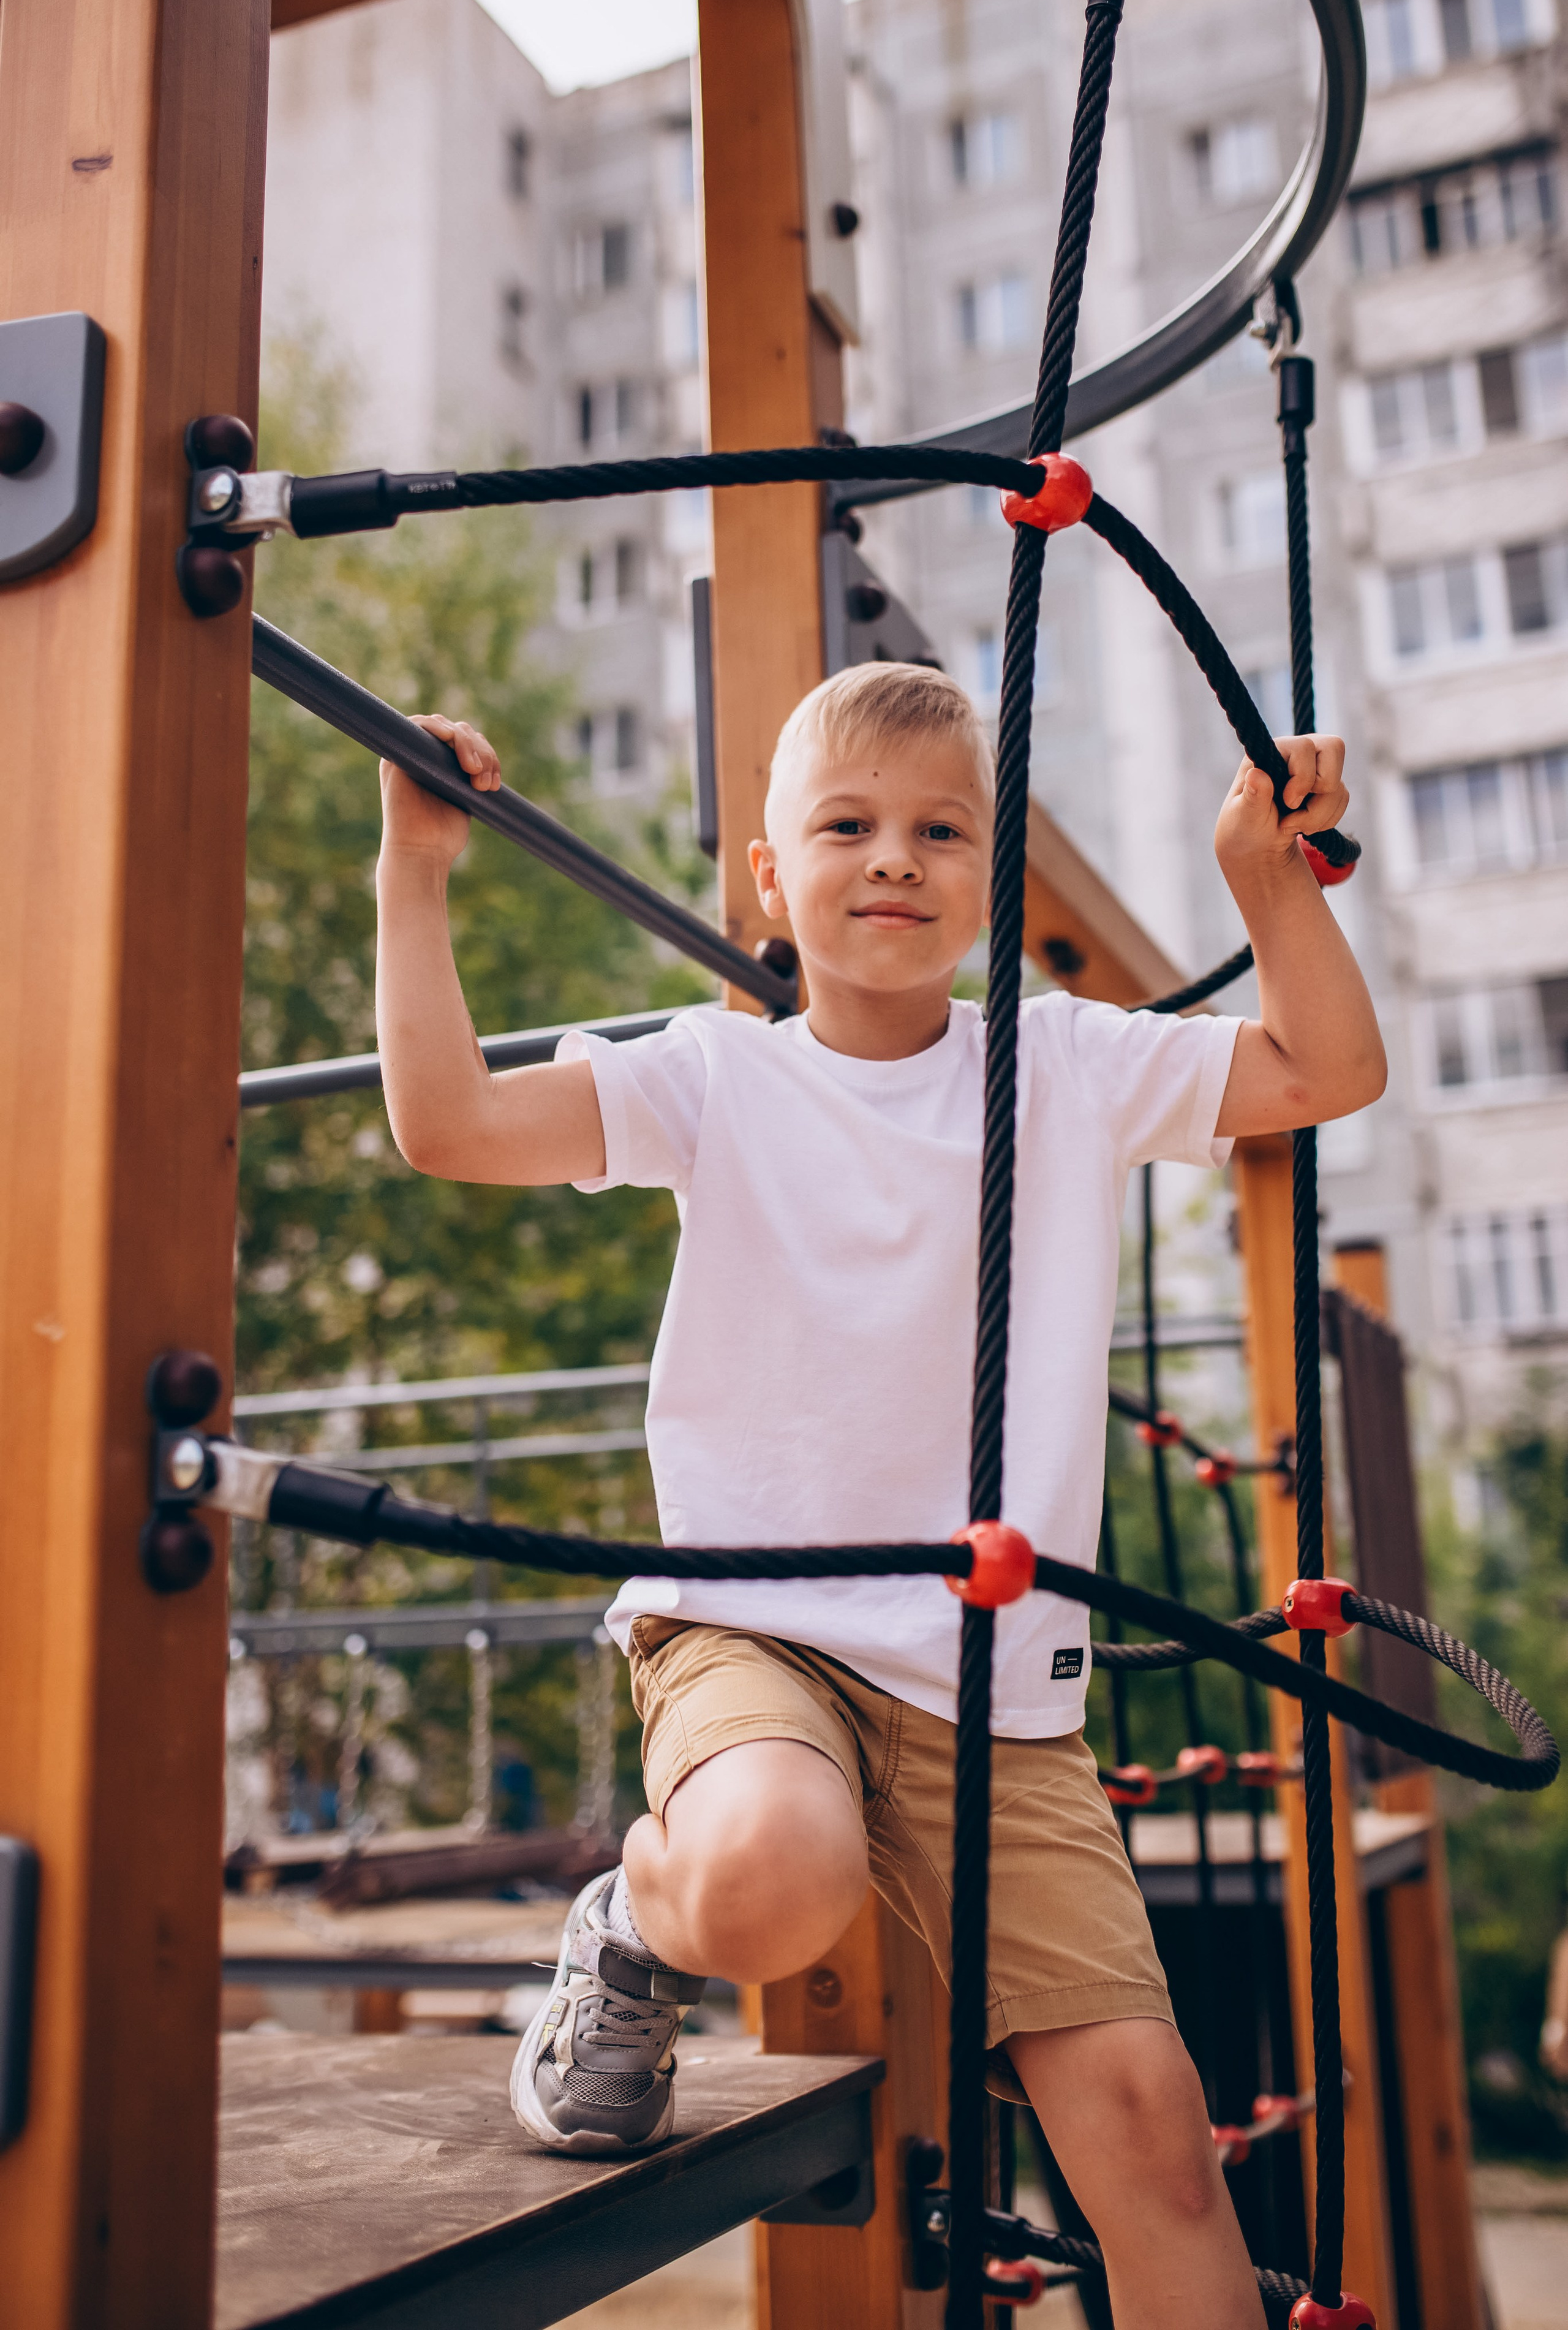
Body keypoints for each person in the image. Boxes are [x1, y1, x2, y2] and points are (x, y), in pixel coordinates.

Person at [374, 663, 1385, 2330]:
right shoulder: (719, 1076)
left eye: (939, 831)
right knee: (775, 1872)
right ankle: (636, 1916)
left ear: (985, 877)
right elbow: (451, 1121)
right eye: (847, 827)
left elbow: (1323, 1070)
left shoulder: (1061, 1068)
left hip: (994, 1683)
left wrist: (1269, 886)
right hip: (758, 1628)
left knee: (1155, 2140)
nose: (896, 860)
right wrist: (418, 872)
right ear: (771, 877)